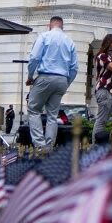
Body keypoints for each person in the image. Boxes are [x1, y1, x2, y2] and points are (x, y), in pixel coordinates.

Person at [25, 16, 79, 153]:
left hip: (46, 76)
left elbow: (34, 58)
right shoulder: (70, 41)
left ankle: (39, 145)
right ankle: (49, 146)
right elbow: (74, 68)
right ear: (62, 26)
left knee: (33, 109)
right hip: (62, 79)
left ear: (49, 25)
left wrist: (30, 76)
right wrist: (66, 83)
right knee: (52, 115)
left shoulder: (44, 36)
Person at [91, 34, 112, 142]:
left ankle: (99, 144)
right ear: (110, 43)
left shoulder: (110, 57)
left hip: (111, 92)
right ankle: (95, 145)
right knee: (100, 121)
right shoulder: (102, 56)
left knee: (103, 121)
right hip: (104, 90)